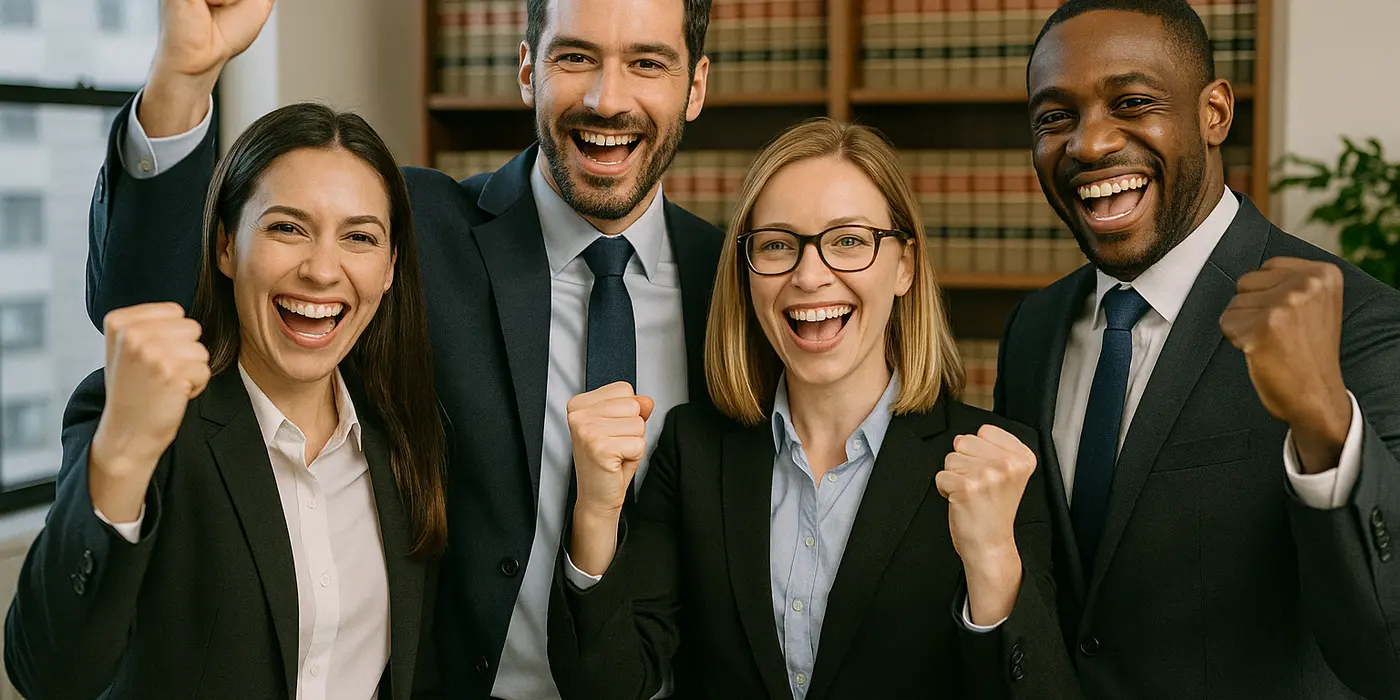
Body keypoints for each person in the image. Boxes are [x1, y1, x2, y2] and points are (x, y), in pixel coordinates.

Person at [82, 0, 722, 697]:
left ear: (695, 87)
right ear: (528, 70)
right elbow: (155, 324)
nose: (607, 99)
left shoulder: (735, 288)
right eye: (575, 57)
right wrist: (182, 80)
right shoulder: (413, 230)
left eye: (647, 63)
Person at [547, 118, 1082, 700]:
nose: (809, 276)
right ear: (747, 272)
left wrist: (994, 562)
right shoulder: (693, 448)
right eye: (777, 244)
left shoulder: (998, 467)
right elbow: (609, 685)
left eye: (848, 241)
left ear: (904, 265)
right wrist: (596, 514)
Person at [998, 1, 1400, 698]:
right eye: (1055, 117)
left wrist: (1326, 425)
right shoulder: (1032, 329)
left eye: (1131, 102)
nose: (1088, 145)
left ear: (1214, 112)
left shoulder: (1361, 323)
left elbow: (1385, 651)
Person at [4, 103, 446, 699]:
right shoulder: (152, 418)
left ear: (390, 268)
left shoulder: (407, 436)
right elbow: (48, 673)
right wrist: (122, 455)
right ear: (225, 247)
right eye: (286, 227)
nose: (322, 270)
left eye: (359, 237)